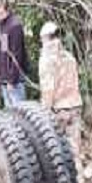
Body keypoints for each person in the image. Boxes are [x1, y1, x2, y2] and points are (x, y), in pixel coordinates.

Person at [37, 23, 85, 162]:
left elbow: (48, 90)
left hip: (58, 110)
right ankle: (79, 181)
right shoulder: (69, 57)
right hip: (75, 105)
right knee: (75, 151)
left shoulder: (46, 60)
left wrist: (44, 112)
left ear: (45, 38)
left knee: (56, 153)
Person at [0, 0, 26, 108]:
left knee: (19, 114)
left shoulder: (15, 25)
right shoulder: (1, 26)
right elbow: (2, 54)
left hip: (14, 81)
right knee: (9, 116)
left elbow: (17, 54)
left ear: (2, 7)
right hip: (5, 80)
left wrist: (12, 80)